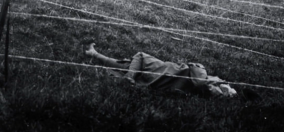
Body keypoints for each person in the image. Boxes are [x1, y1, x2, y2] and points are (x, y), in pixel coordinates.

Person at [84, 43, 237, 97]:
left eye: (221, 81)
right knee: (126, 64)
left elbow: (201, 81)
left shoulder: (202, 79)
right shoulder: (201, 83)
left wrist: (197, 66)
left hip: (161, 72)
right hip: (158, 78)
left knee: (140, 56)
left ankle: (129, 77)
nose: (219, 78)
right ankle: (93, 53)